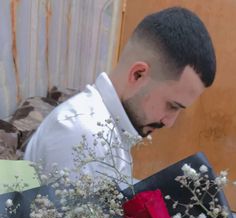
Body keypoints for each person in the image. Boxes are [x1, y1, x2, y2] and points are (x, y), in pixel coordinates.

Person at [24, 6, 216, 184]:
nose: (169, 122)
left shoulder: (111, 128)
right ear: (138, 74)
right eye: (172, 106)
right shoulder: (81, 133)